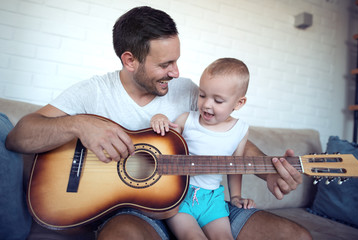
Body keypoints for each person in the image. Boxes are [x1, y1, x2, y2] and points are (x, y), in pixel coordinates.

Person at [5, 6, 311, 240]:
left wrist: (267, 169)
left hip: (200, 203)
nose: (176, 72)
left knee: (296, 236)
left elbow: (231, 137)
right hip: (136, 214)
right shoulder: (93, 91)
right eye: (165, 64)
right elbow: (19, 136)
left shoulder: (192, 92)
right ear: (129, 61)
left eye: (176, 61)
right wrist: (80, 125)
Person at [150, 58, 255, 239]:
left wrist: (236, 196)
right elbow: (165, 142)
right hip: (179, 196)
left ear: (239, 103)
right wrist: (159, 118)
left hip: (213, 200)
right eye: (202, 95)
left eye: (218, 100)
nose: (206, 104)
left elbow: (235, 167)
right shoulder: (187, 120)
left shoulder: (241, 130)